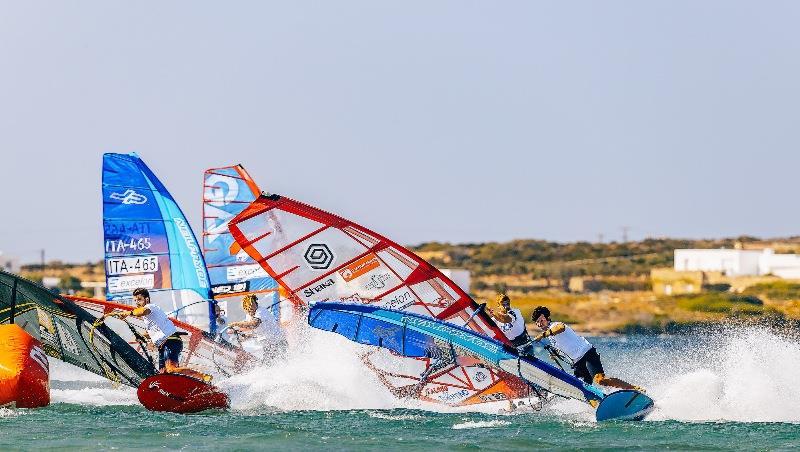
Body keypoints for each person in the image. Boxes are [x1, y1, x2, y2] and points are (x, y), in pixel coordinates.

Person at [531, 305, 643, 401]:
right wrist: (555, 354)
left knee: (601, 380)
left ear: (548, 318)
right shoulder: (551, 337)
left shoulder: (555, 325)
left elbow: (561, 328)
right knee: (580, 389)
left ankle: (633, 388)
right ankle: (599, 402)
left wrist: (542, 335)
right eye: (537, 322)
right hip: (577, 364)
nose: (540, 324)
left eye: (542, 320)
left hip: (587, 354)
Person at [102, 287, 211, 382]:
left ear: (147, 299)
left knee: (171, 370)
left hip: (171, 341)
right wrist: (142, 336)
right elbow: (154, 330)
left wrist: (128, 313)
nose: (137, 302)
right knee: (163, 374)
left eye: (139, 299)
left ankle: (203, 376)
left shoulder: (151, 307)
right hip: (163, 345)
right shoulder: (149, 317)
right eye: (135, 300)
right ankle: (182, 386)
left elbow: (141, 312)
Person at [226, 294, 287, 364]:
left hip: (279, 342)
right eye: (247, 307)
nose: (250, 309)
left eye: (252, 306)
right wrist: (246, 336)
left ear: (256, 304)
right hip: (268, 345)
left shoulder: (261, 311)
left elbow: (253, 324)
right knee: (268, 365)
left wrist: (236, 324)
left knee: (278, 363)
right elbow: (252, 329)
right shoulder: (249, 315)